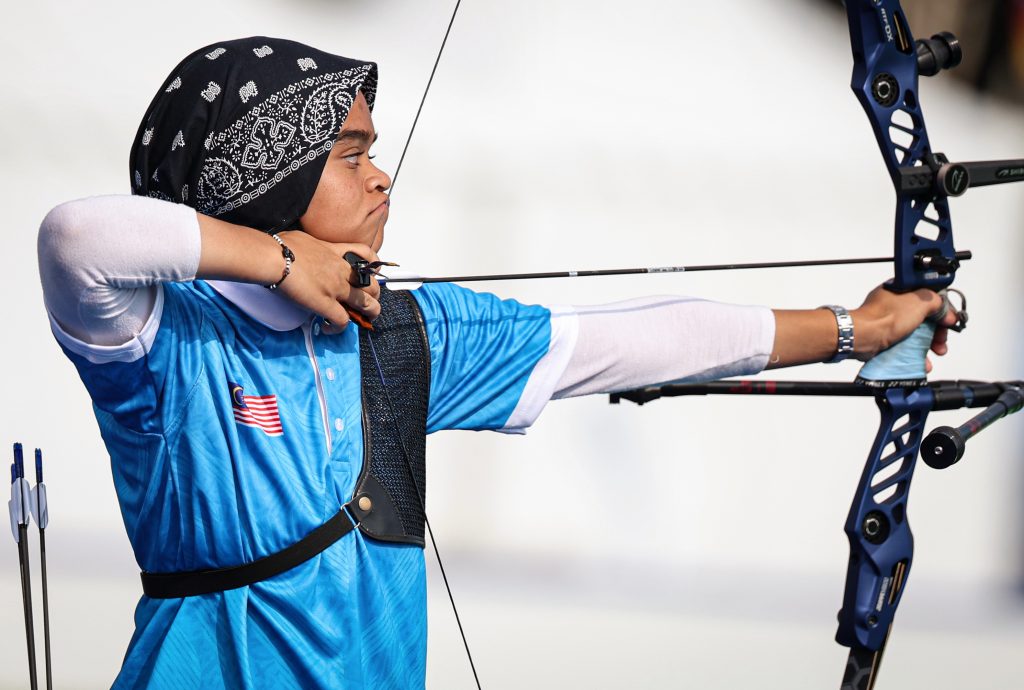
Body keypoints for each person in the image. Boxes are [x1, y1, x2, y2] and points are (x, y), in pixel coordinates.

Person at [36, 36, 954, 690]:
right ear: (263, 177)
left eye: (375, 152)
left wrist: (851, 327)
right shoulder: (168, 339)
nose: (380, 176)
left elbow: (622, 339)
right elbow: (75, 236)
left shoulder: (400, 335)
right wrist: (281, 262)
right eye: (349, 155)